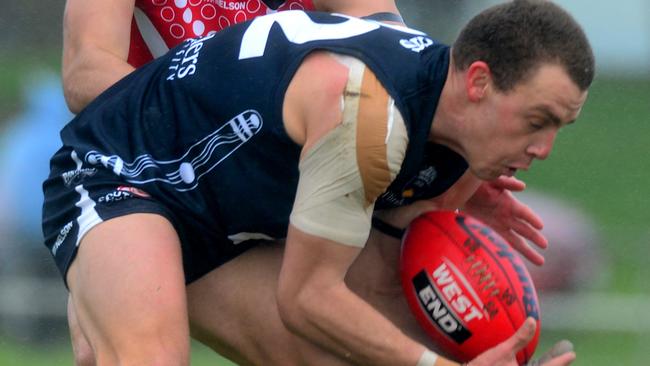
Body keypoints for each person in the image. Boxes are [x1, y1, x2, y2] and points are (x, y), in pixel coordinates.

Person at [42, 1, 594, 365]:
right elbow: (85, 71)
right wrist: (213, 94)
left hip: (256, 192)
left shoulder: (397, 120)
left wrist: (461, 151)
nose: (543, 151)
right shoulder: (362, 113)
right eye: (536, 122)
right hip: (127, 173)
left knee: (358, 350)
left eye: (554, 127)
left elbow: (392, 43)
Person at [61, 0, 402, 113]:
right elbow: (84, 72)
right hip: (159, 167)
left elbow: (397, 56)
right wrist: (212, 104)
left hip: (284, 167)